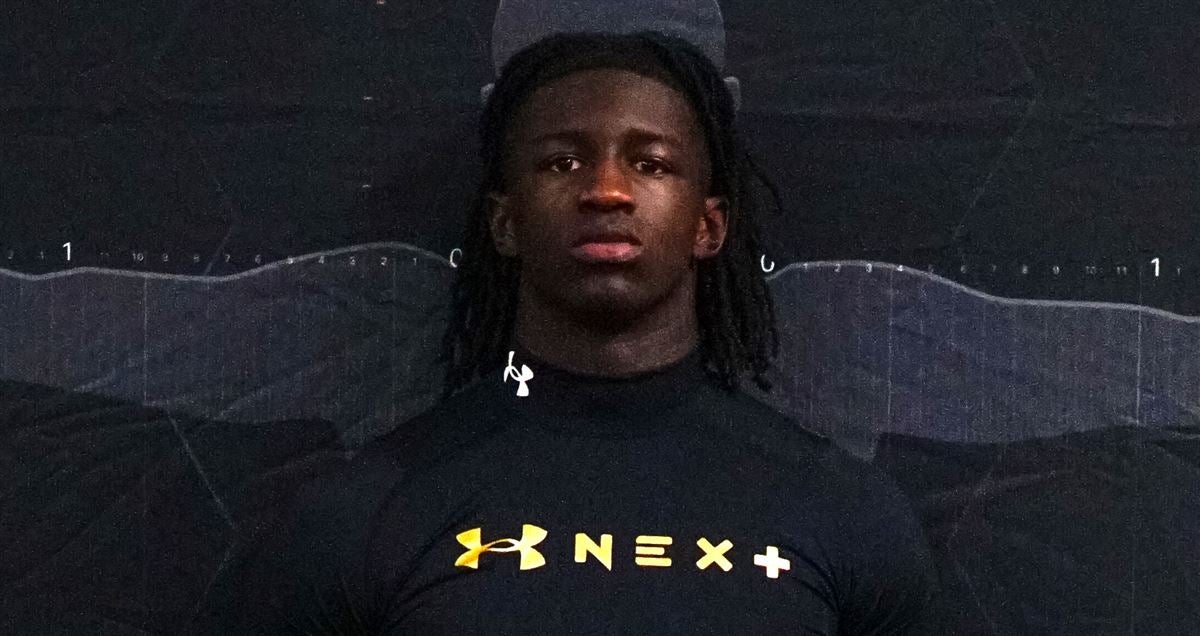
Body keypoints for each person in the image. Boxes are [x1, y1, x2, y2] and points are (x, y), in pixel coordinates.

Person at [198, 30, 941, 634]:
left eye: (650, 163)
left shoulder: (841, 511)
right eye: (563, 161)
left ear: (708, 226)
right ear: (505, 222)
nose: (607, 190)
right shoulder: (367, 512)